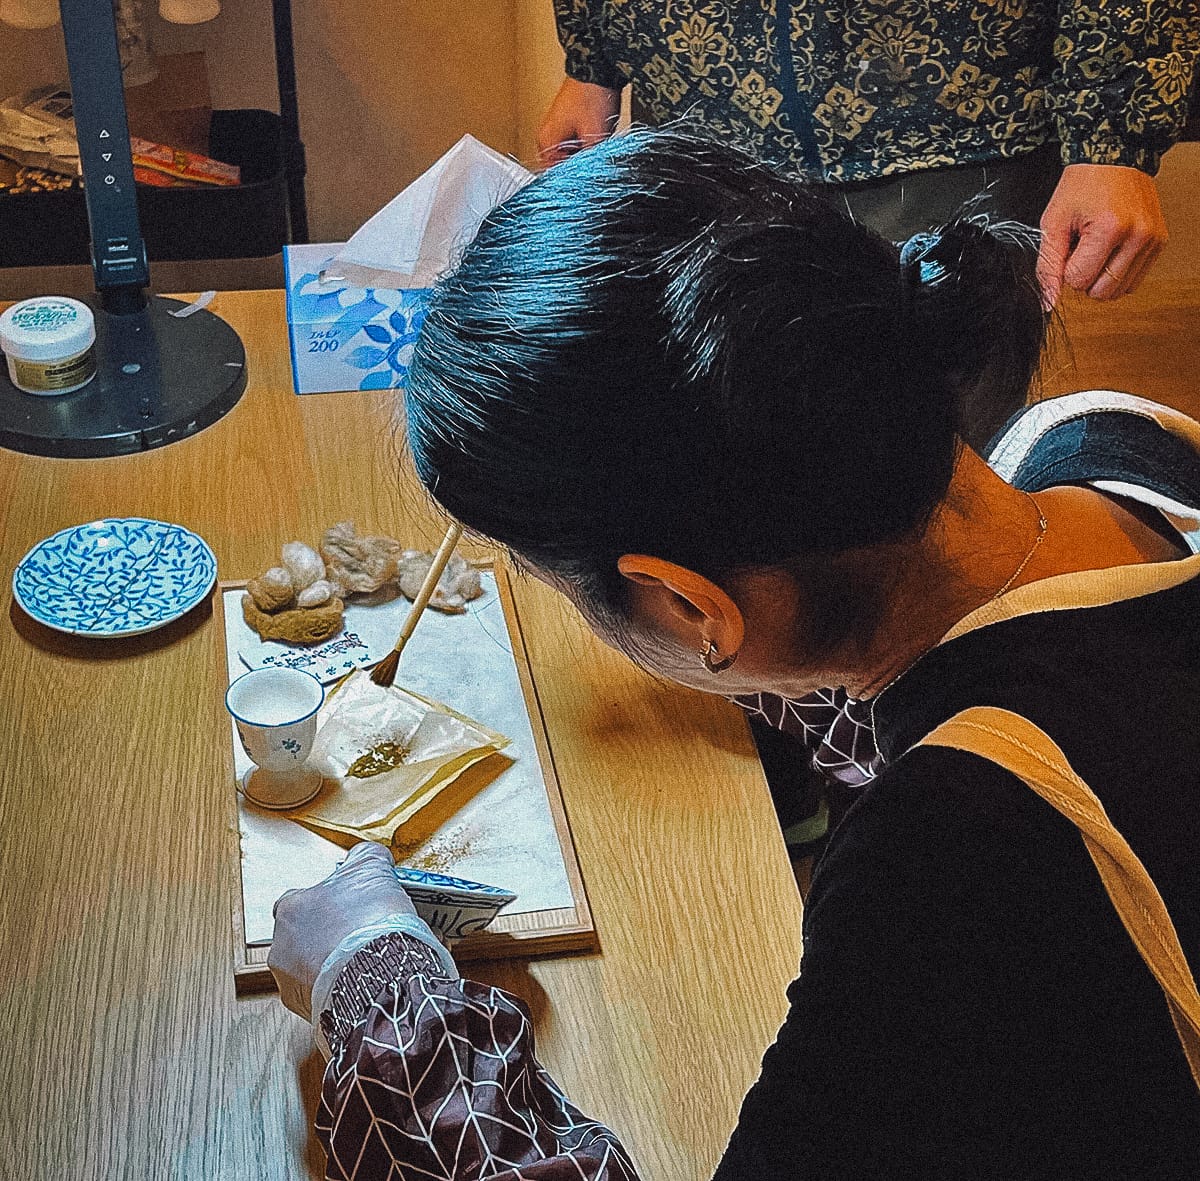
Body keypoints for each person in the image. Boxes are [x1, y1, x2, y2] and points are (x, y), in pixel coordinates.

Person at [270, 131, 1200, 1177]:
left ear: (688, 603)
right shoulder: (1098, 443)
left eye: (561, 589)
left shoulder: (954, 859)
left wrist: (375, 983)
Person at [538, 0, 1198, 308]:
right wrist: (594, 51)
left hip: (950, 125)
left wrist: (1115, 129)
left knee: (935, 481)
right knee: (732, 459)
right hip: (695, 117)